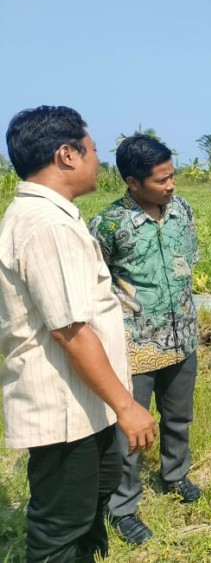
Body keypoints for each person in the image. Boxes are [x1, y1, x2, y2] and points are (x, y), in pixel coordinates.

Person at [0, 106, 157, 561]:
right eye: (91, 150)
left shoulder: (54, 216)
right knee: (60, 530)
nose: (97, 161)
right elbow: (71, 330)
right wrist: (128, 406)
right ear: (67, 154)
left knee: (88, 510)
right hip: (64, 408)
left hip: (84, 402)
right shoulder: (46, 227)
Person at [88, 135, 202, 545]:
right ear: (133, 183)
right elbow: (95, 284)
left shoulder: (182, 210)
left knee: (179, 417)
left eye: (172, 176)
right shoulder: (109, 225)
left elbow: (188, 259)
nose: (171, 185)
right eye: (161, 180)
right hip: (134, 344)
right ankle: (122, 506)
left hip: (183, 335)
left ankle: (175, 475)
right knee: (129, 432)